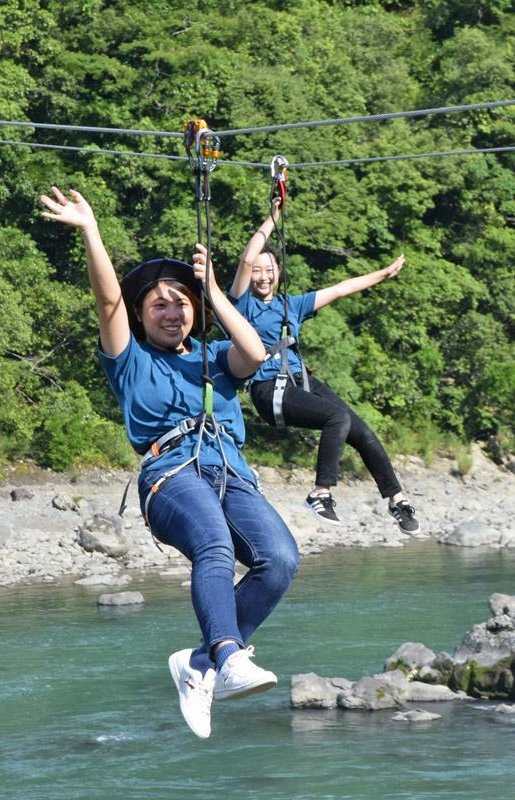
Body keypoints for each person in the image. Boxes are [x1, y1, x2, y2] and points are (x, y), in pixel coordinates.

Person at [40, 187, 299, 739]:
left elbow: (254, 353)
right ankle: (227, 654)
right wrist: (92, 232)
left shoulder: (213, 359)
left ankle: (200, 664)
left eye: (181, 302)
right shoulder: (129, 361)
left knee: (279, 559)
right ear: (141, 315)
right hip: (172, 475)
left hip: (231, 473)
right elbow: (108, 302)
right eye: (158, 303)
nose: (171, 310)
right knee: (215, 544)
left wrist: (210, 292)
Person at [229, 200, 420, 533]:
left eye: (269, 269)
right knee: (337, 417)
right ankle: (320, 492)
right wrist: (274, 217)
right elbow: (247, 259)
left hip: (299, 381)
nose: (262, 276)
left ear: (279, 273)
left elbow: (341, 289)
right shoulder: (241, 303)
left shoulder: (293, 304)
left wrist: (383, 274)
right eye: (258, 271)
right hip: (267, 387)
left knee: (362, 432)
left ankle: (397, 500)